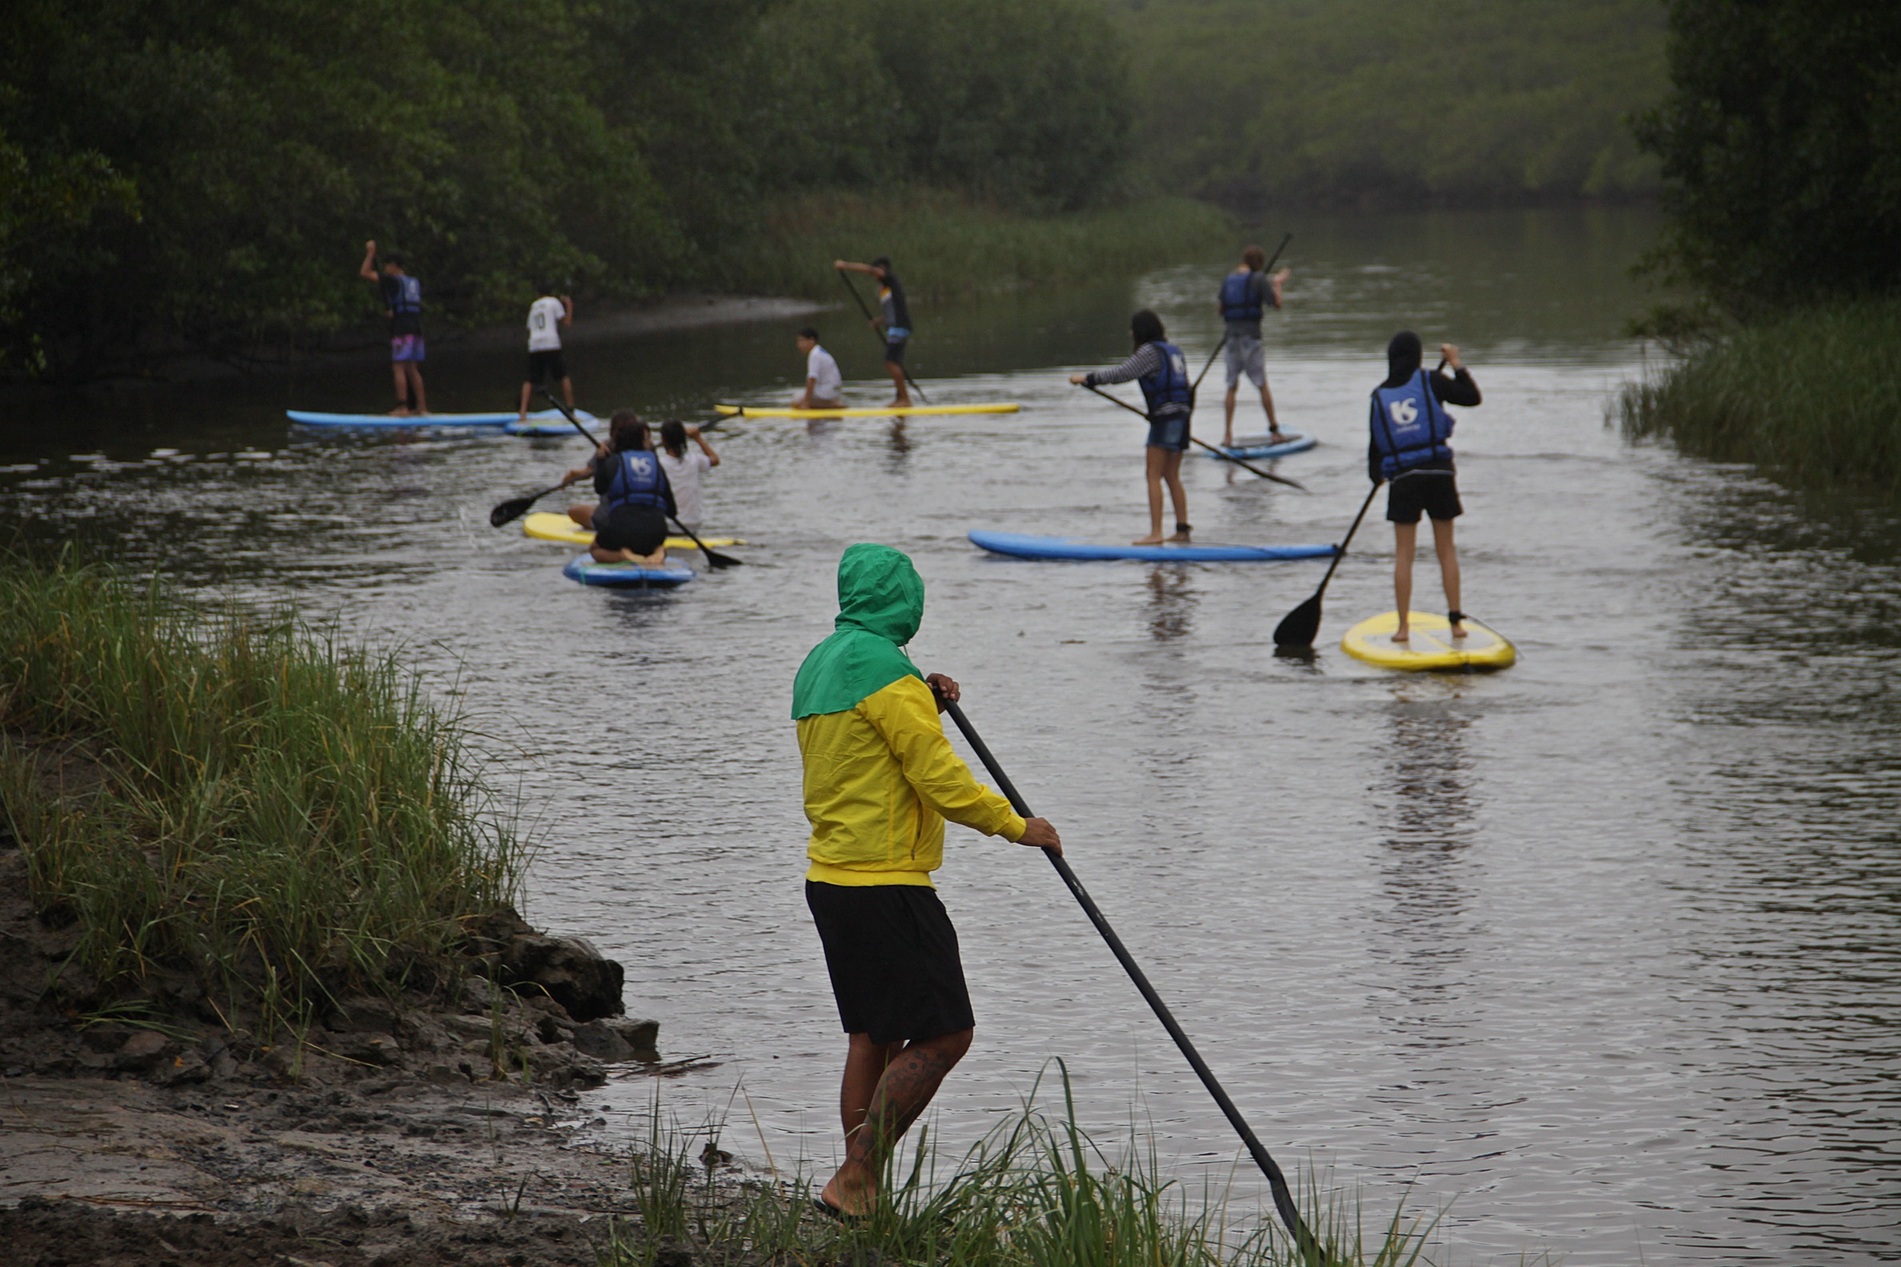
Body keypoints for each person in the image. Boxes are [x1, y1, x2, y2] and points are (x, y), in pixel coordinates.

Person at [793, 543, 1061, 1219]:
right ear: (904, 600)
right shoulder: (888, 672)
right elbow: (939, 779)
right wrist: (1016, 825)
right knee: (947, 1033)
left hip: (831, 879)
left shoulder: (823, 662)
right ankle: (854, 1179)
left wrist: (924, 697)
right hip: (887, 885)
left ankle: (859, 1192)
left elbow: (867, 750)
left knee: (872, 1037)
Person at [1368, 332, 1483, 643]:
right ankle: (1456, 623)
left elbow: (1375, 455)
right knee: (1446, 550)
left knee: (1404, 555)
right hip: (1439, 474)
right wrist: (1456, 364)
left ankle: (1403, 628)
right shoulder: (1432, 380)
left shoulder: (1378, 396)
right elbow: (1472, 397)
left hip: (1404, 479)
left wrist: (1378, 477)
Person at [1069, 310, 1194, 545]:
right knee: (1172, 475)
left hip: (1165, 418)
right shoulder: (1174, 351)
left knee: (1152, 474)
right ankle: (1182, 529)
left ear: (1139, 331)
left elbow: (1122, 373)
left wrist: (1087, 378)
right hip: (1182, 417)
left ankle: (1156, 533)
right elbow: (1185, 389)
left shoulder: (1149, 351)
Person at [561, 410, 678, 567]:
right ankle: (658, 552)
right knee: (650, 541)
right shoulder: (656, 464)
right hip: (656, 532)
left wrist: (601, 460)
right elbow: (672, 511)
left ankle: (622, 556)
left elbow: (599, 488)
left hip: (621, 530)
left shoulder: (613, 462)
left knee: (595, 549)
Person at [1217, 245, 1290, 447]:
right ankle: (1275, 431)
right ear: (1259, 263)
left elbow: (1220, 310)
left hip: (1231, 339)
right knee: (1261, 384)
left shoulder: (1229, 280)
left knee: (1231, 386)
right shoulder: (1259, 279)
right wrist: (1277, 284)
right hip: (1251, 339)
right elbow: (1276, 304)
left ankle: (1227, 436)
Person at [359, 240, 427, 416]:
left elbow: (365, 272)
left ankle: (402, 407)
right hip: (417, 328)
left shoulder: (392, 280)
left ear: (394, 266)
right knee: (412, 368)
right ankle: (421, 408)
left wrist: (370, 253)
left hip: (403, 328)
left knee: (398, 367)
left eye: (387, 265)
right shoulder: (413, 282)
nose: (385, 269)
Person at [834, 257, 911, 406]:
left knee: (890, 362)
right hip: (895, 326)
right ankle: (899, 398)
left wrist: (845, 265)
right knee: (895, 362)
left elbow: (871, 270)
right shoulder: (887, 288)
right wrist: (879, 321)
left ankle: (905, 399)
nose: (874, 276)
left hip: (899, 327)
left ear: (882, 269)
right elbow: (894, 310)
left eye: (876, 272)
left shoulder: (889, 278)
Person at [519, 287, 575, 423]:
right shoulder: (554, 302)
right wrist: (568, 305)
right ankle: (571, 410)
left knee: (529, 380)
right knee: (563, 376)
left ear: (538, 294)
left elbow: (530, 327)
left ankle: (522, 414)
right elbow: (567, 322)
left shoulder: (534, 305)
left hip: (535, 345)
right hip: (551, 343)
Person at [657, 419, 720, 535]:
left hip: (670, 525)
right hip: (693, 525)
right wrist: (698, 438)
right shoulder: (694, 460)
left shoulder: (658, 464)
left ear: (663, 440)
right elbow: (715, 459)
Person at [793, 327, 845, 410]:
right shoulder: (818, 351)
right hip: (832, 390)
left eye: (802, 341)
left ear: (811, 340)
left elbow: (811, 379)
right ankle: (828, 404)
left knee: (796, 401)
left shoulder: (815, 354)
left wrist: (806, 402)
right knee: (799, 397)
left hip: (828, 391)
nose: (799, 345)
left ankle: (832, 404)